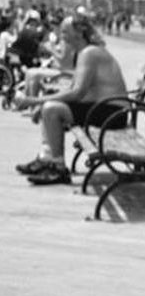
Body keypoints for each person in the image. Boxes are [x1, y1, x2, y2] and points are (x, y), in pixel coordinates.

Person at [14, 15, 128, 186]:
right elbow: (76, 89)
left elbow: (77, 93)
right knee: (50, 106)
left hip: (113, 113)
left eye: (65, 32)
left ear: (79, 33)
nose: (62, 36)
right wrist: (42, 102)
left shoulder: (89, 53)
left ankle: (58, 168)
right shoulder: (86, 52)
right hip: (107, 109)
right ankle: (47, 158)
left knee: (52, 109)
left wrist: (33, 101)